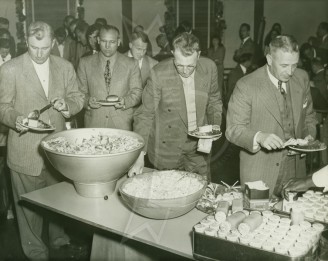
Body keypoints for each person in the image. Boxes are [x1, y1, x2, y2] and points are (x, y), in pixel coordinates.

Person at [0, 21, 84, 260]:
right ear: (26, 42)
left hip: (57, 150)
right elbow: (2, 106)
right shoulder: (10, 69)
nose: (39, 53)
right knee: (29, 209)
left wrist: (67, 106)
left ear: (53, 43)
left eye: (45, 48)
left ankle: (60, 241)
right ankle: (36, 252)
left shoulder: (65, 66)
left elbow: (78, 97)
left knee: (58, 201)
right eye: (34, 47)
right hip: (24, 149)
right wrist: (17, 119)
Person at [226, 35, 317, 198]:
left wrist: (309, 136)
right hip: (260, 170)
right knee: (257, 220)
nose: (290, 72)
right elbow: (233, 129)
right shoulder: (246, 85)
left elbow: (309, 115)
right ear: (269, 59)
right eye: (284, 65)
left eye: (294, 65)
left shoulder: (302, 78)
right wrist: (259, 136)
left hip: (296, 169)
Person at [130, 32, 223, 178]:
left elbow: (214, 100)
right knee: (169, 193)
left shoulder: (209, 68)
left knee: (201, 189)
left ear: (198, 55)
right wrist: (139, 155)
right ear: (173, 54)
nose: (185, 71)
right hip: (168, 146)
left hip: (198, 147)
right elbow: (145, 115)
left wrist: (214, 125)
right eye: (179, 65)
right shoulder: (159, 73)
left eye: (190, 66)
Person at [77, 24, 143, 130]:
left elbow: (137, 92)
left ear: (118, 42)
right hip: (94, 123)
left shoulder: (131, 64)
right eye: (104, 41)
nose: (107, 46)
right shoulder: (85, 63)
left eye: (112, 42)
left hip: (122, 123)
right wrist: (87, 101)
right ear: (98, 40)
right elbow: (79, 92)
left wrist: (125, 101)